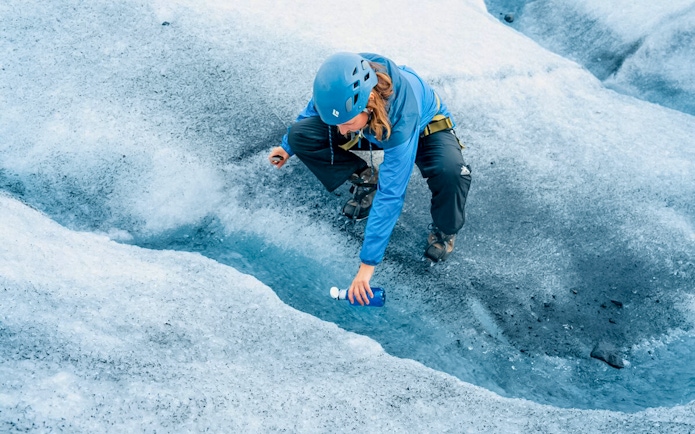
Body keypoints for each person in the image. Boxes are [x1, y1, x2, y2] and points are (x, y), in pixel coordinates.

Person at [268, 52, 471, 305]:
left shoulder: (401, 116)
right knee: (302, 135)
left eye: (347, 122)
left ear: (369, 101)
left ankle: (445, 229)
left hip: (422, 128)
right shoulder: (343, 82)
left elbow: (392, 194)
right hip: (372, 126)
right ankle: (366, 178)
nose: (340, 130)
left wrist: (367, 266)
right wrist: (288, 146)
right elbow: (314, 111)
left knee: (451, 172)